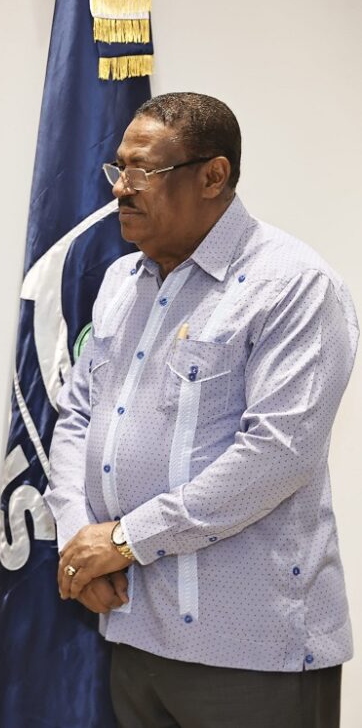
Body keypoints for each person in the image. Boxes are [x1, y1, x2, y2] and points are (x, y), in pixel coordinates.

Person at [46, 92, 357, 727]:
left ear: (213, 176)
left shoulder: (291, 284)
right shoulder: (120, 283)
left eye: (143, 171)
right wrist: (82, 543)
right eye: (118, 169)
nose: (121, 189)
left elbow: (277, 455)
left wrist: (125, 540)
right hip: (133, 628)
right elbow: (77, 417)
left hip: (252, 651)